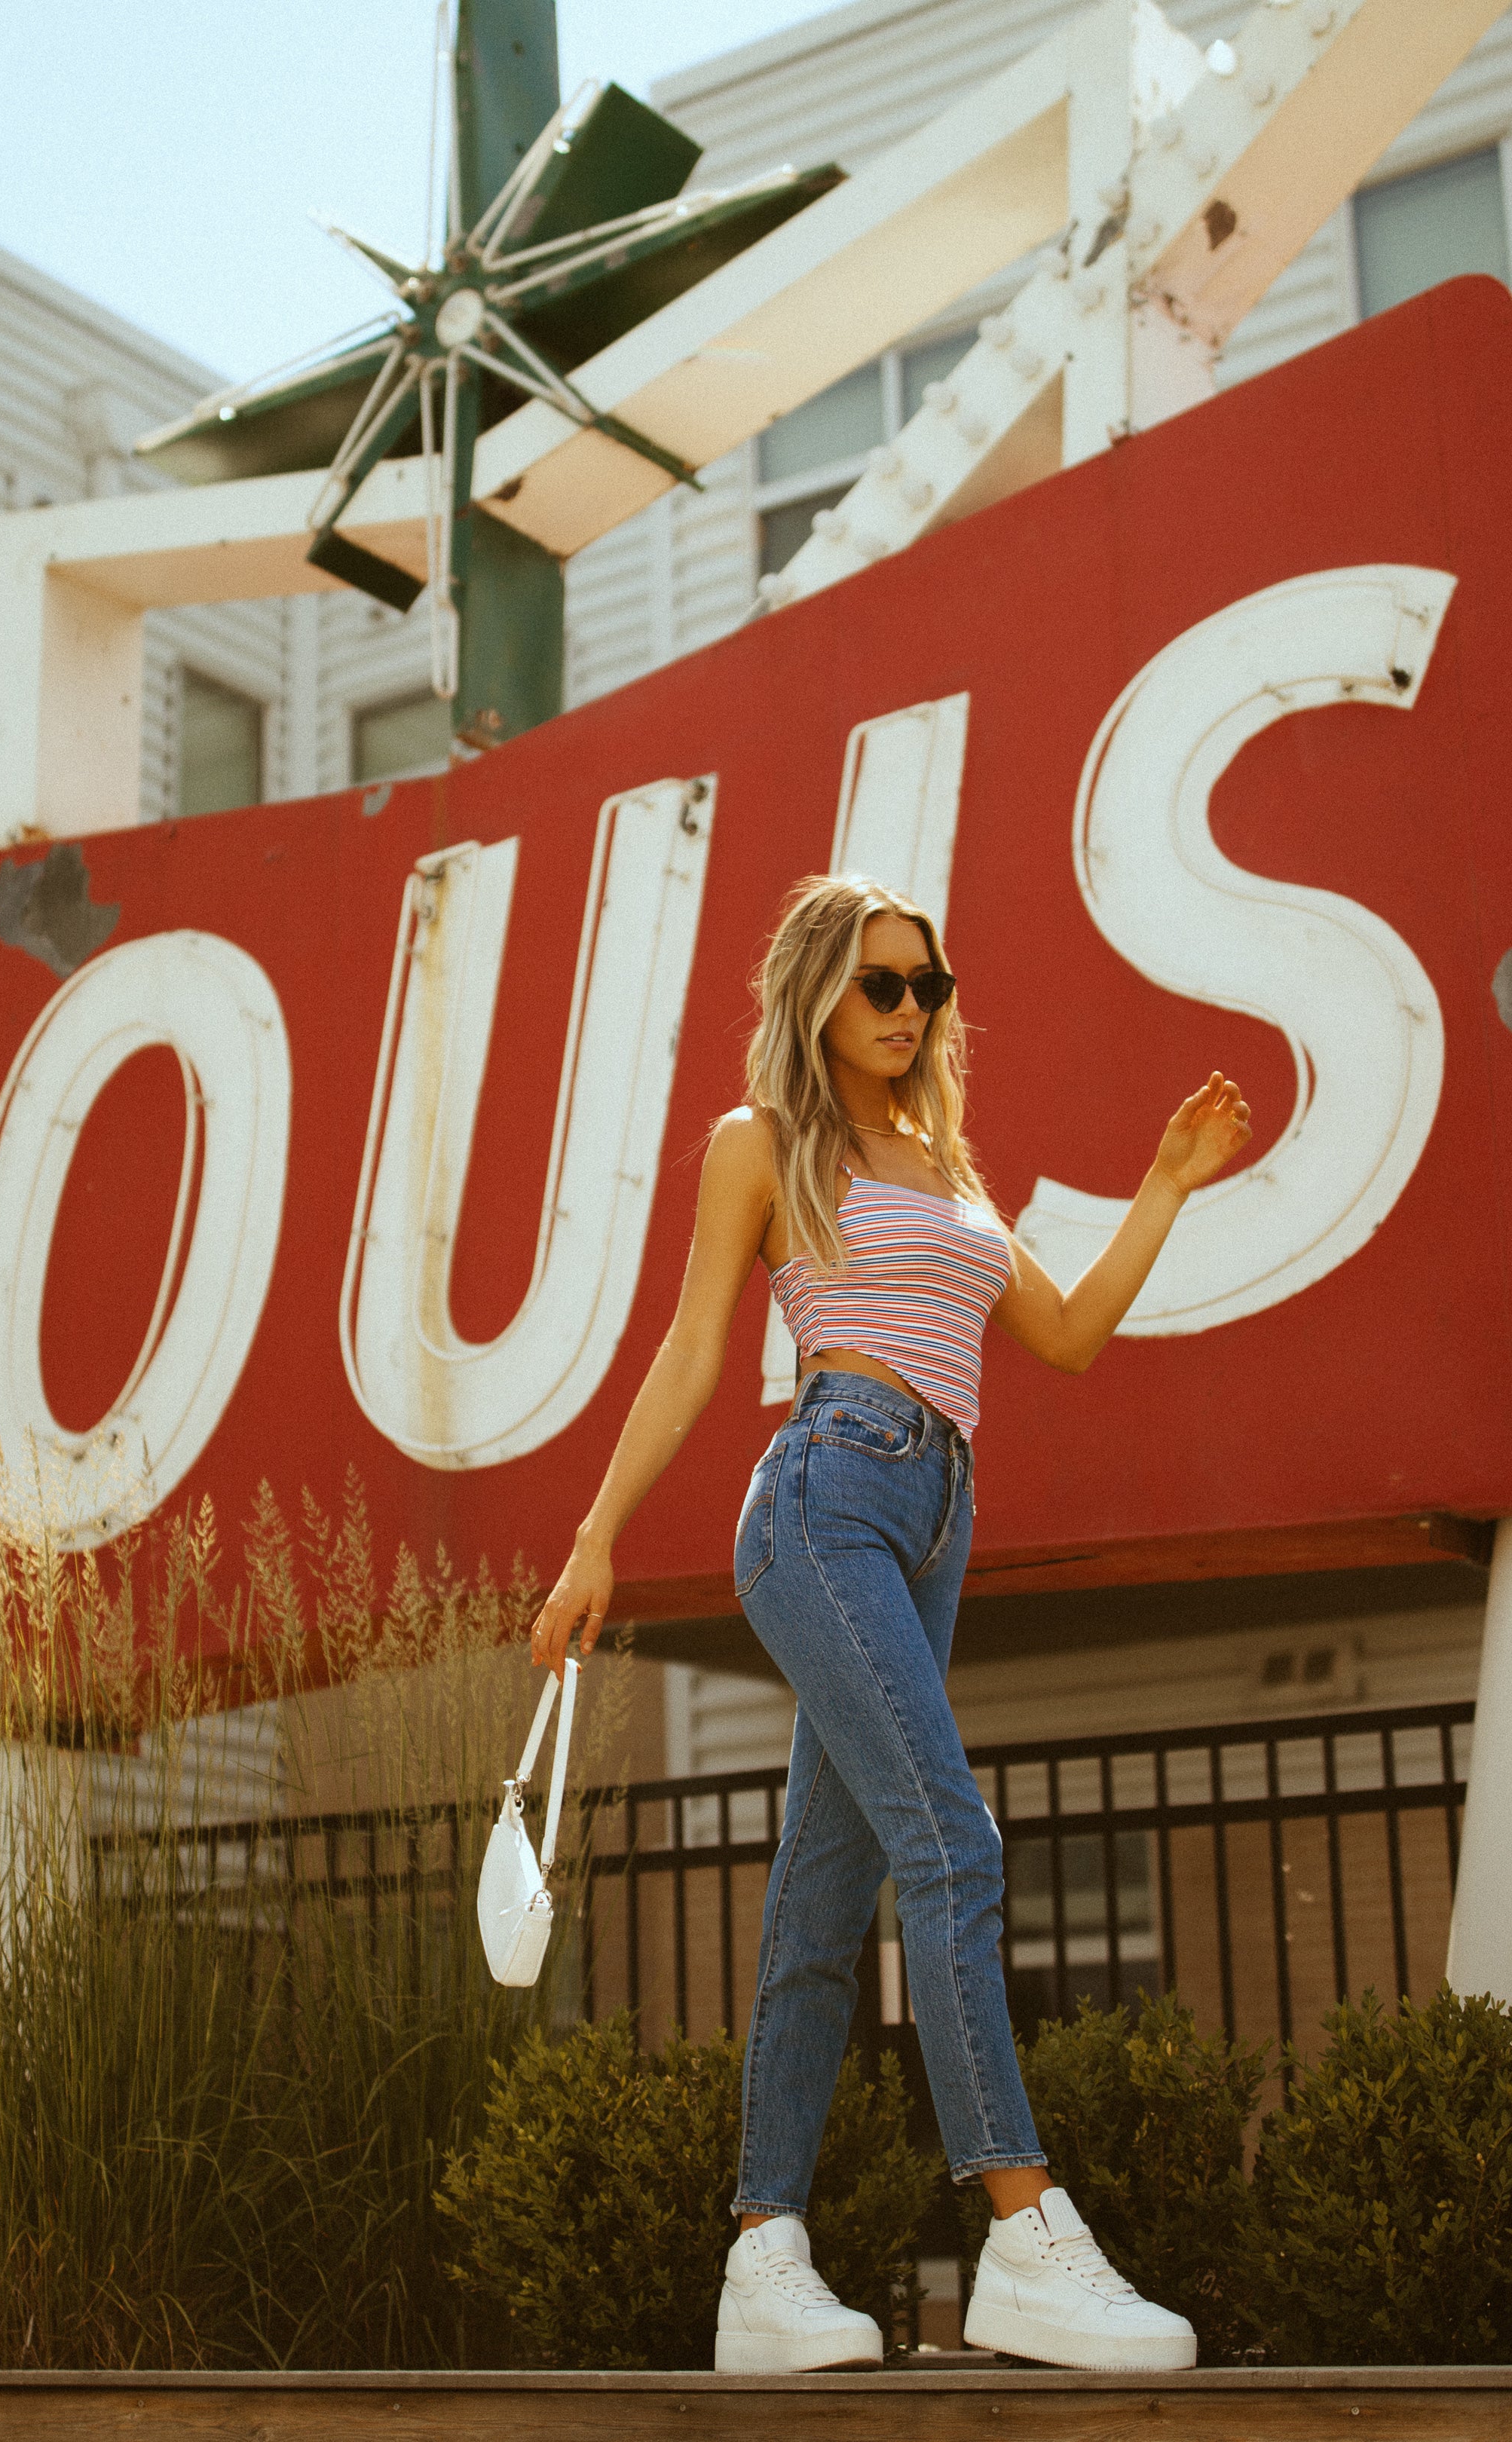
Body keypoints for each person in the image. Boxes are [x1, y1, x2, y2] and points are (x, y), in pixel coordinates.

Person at [531, 874, 1251, 2374]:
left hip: (933, 1522)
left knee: (819, 1899)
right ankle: (1024, 2230)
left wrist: (1167, 1188)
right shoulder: (765, 1144)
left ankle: (763, 2259)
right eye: (882, 984)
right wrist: (595, 1539)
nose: (913, 1008)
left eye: (930, 984)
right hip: (825, 1494)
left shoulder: (945, 1160)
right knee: (954, 1838)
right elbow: (689, 1354)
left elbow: (1062, 1336)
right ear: (818, 993)